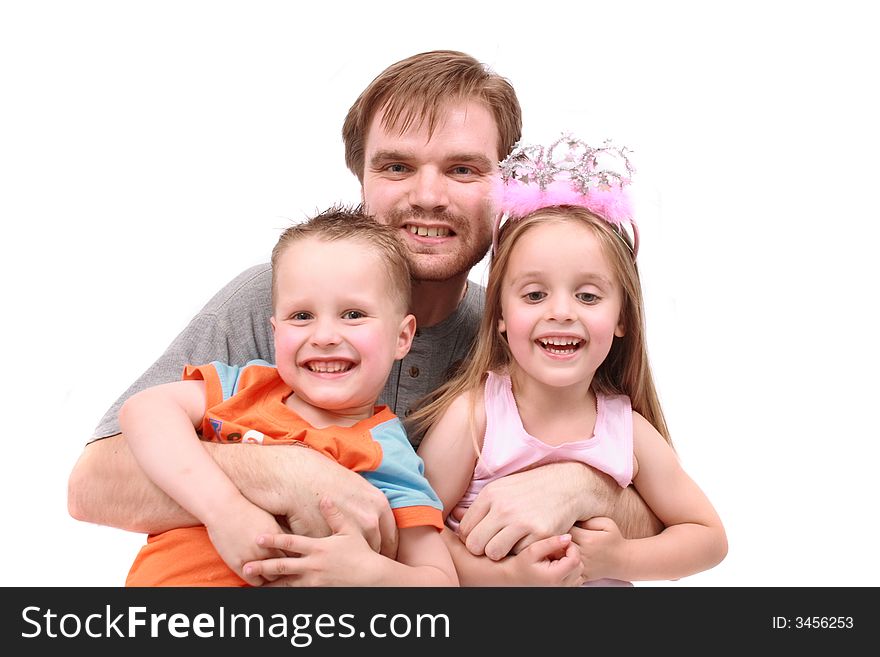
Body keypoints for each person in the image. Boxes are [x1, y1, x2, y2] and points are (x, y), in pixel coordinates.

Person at [68, 50, 663, 573]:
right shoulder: (279, 301)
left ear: (503, 187)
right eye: (397, 166)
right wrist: (288, 473)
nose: (427, 196)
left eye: (462, 169)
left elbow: (666, 514)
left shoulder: (525, 332)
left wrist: (581, 485)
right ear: (361, 177)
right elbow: (93, 485)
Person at [415, 136, 728, 585]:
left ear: (622, 318)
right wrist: (503, 577)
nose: (561, 312)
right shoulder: (475, 418)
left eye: (587, 295)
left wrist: (618, 560)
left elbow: (708, 538)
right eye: (535, 294)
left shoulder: (626, 431)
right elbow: (416, 532)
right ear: (500, 314)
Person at [121, 207, 457, 586]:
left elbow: (439, 581)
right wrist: (224, 511)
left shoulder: (388, 453)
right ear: (275, 330)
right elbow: (144, 409)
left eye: (352, 314)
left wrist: (367, 573)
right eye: (301, 316)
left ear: (402, 336)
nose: (325, 335)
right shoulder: (244, 387)